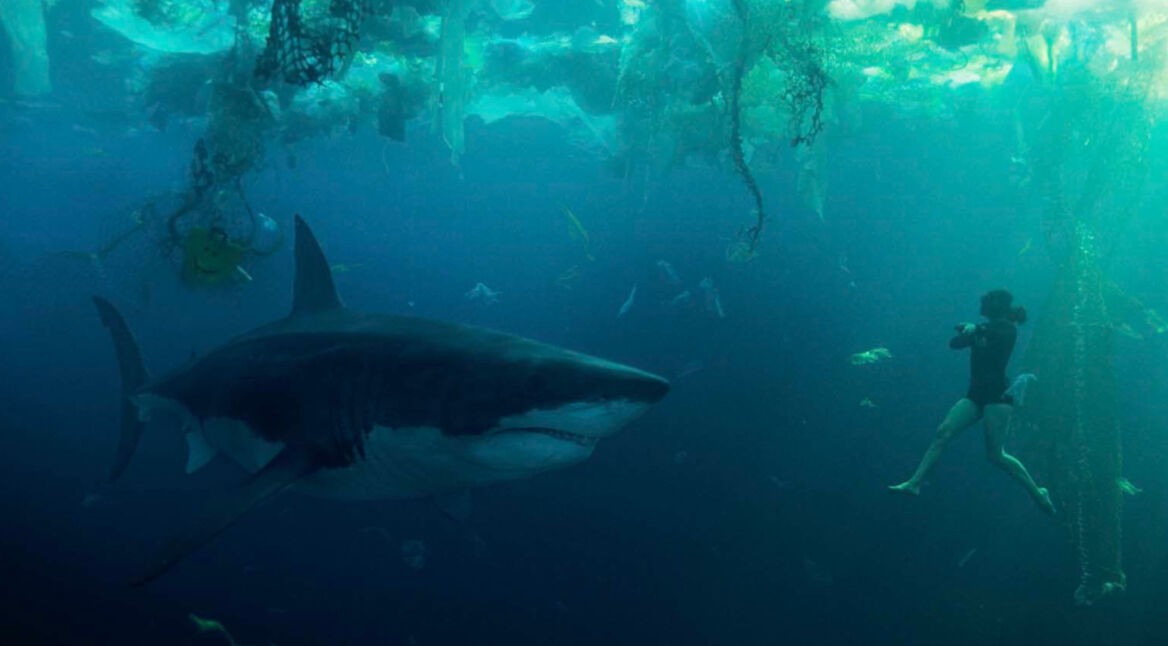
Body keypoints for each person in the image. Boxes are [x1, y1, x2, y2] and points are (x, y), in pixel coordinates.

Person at [889, 289, 1055, 515]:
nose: (982, 305)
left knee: (996, 455)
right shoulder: (985, 329)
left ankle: (1038, 493)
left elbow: (999, 335)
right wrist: (971, 333)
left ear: (997, 306)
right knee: (943, 432)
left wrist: (976, 329)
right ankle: (914, 483)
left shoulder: (1007, 328)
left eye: (986, 302)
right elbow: (954, 344)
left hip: (997, 397)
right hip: (975, 395)